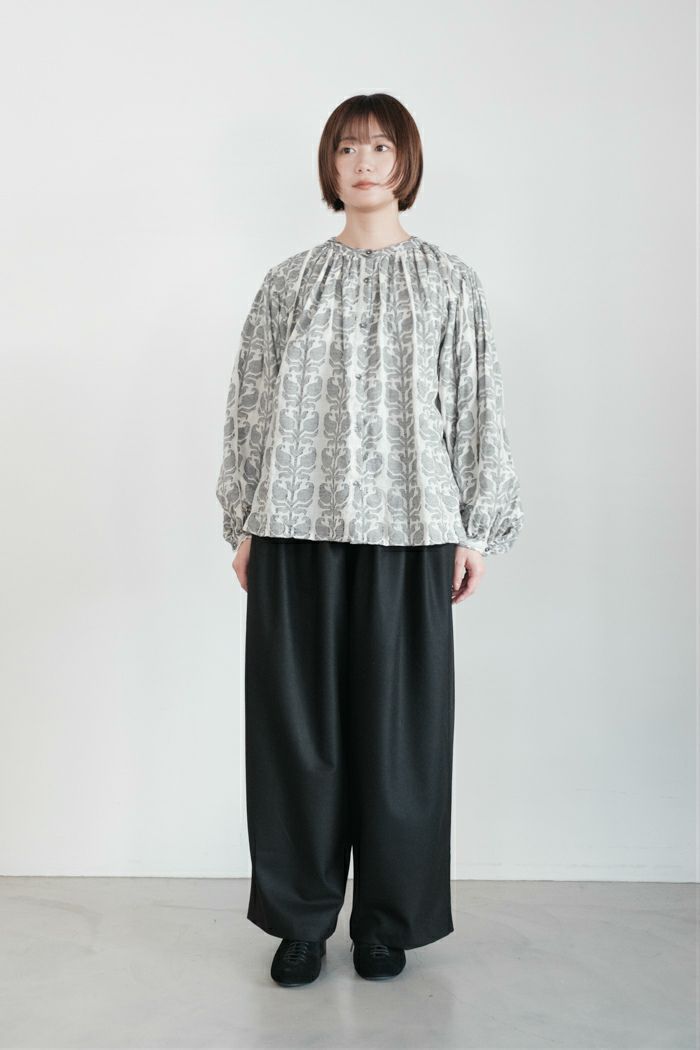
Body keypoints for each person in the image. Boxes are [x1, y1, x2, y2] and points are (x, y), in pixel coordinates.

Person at [216, 93, 524, 988]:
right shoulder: (290, 282)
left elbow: (476, 405)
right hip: (294, 524)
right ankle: (301, 920)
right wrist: (244, 518)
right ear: (330, 165)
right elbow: (251, 404)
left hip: (411, 527)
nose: (362, 164)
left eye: (379, 148)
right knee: (297, 736)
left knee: (400, 739)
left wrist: (475, 529)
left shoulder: (450, 282)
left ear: (404, 162)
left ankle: (387, 921)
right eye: (346, 149)